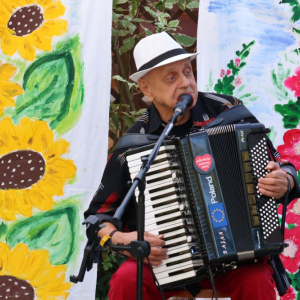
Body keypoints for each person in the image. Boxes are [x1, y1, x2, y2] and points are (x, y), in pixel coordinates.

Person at [84, 32, 300, 300]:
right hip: (166, 262)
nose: (186, 83)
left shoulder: (228, 112)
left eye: (188, 72)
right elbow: (97, 219)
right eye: (172, 77)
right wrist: (126, 240)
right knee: (128, 279)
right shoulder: (134, 144)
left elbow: (284, 168)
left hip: (236, 259)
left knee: (256, 279)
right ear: (147, 89)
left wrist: (285, 180)